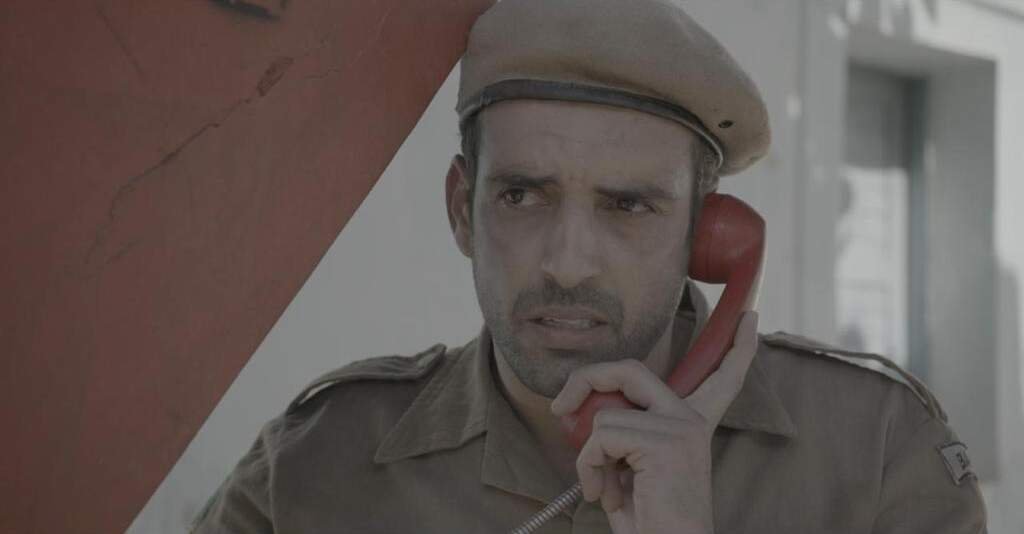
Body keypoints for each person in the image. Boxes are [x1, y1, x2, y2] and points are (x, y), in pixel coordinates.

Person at [191, 0, 987, 532]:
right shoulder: (311, 470)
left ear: (708, 235)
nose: (568, 264)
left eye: (628, 205)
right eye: (522, 197)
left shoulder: (876, 456)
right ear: (462, 209)